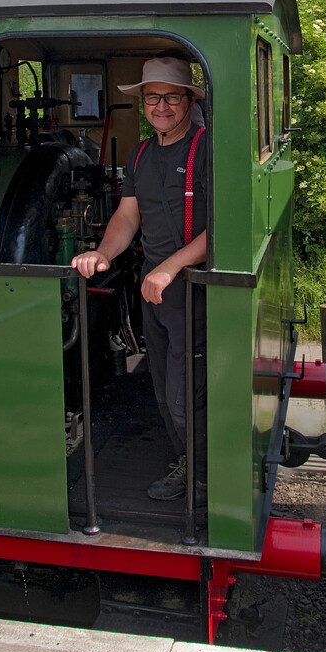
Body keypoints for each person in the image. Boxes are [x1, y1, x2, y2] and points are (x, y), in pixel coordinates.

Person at [72, 57, 207, 502]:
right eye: (153, 97)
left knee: (186, 394)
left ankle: (205, 477)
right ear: (144, 104)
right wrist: (102, 253)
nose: (161, 106)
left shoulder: (207, 149)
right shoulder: (142, 153)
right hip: (155, 293)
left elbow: (227, 225)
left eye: (171, 96)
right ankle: (186, 461)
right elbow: (127, 216)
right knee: (164, 391)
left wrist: (171, 266)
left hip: (193, 290)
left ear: (189, 99)